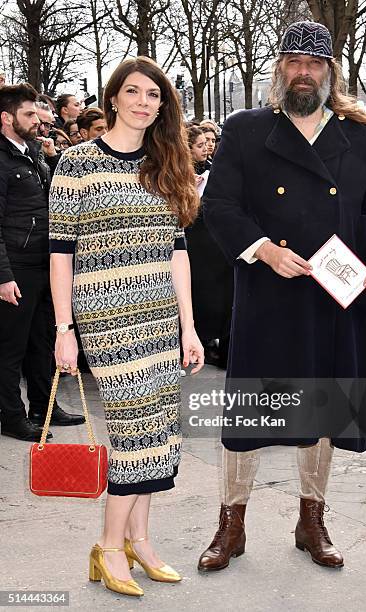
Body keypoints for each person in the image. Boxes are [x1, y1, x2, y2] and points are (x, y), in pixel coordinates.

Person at [199, 21, 366, 572]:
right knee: (249, 414)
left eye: (313, 64)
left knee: (325, 405)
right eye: (293, 62)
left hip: (335, 296)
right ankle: (231, 524)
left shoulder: (359, 135)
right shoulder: (244, 129)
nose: (303, 73)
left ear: (329, 72)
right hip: (269, 293)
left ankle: (311, 519)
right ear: (279, 70)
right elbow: (218, 206)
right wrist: (263, 249)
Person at [49, 56, 204, 597]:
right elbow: (61, 253)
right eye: (133, 92)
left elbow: (177, 251)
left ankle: (140, 539)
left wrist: (189, 326)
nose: (144, 101)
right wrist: (63, 326)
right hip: (107, 319)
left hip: (161, 316)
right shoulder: (77, 164)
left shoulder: (166, 164)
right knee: (135, 432)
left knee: (159, 430)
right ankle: (110, 546)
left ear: (163, 106)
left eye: (154, 95)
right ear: (113, 97)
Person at [0, 83, 84, 442]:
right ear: (6, 118)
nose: (38, 120)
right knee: (11, 349)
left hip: (43, 262)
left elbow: (51, 200)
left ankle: (44, 406)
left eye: (38, 113)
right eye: (29, 114)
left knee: (42, 341)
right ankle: (12, 416)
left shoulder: (33, 152)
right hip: (16, 266)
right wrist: (3, 276)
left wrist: (50, 158)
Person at [185, 125, 233, 369]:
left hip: (215, 240)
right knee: (201, 294)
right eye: (201, 145)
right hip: (193, 240)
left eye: (210, 143)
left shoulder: (212, 168)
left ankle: (218, 343)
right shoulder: (180, 171)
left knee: (220, 295)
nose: (208, 148)